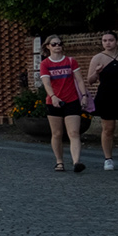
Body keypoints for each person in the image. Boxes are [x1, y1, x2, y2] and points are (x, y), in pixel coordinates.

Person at [38, 35, 87, 174]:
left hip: (71, 100)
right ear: (48, 46)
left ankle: (76, 161)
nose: (57, 46)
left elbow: (79, 80)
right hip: (54, 101)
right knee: (57, 133)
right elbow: (46, 82)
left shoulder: (71, 61)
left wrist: (83, 96)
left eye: (60, 43)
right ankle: (59, 161)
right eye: (54, 44)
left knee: (74, 132)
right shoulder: (45, 64)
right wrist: (53, 96)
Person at [91, 31, 118, 172]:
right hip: (107, 96)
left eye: (110, 40)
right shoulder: (98, 58)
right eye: (104, 40)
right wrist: (97, 72)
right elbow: (90, 80)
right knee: (108, 129)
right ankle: (108, 159)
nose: (108, 43)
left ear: (117, 41)